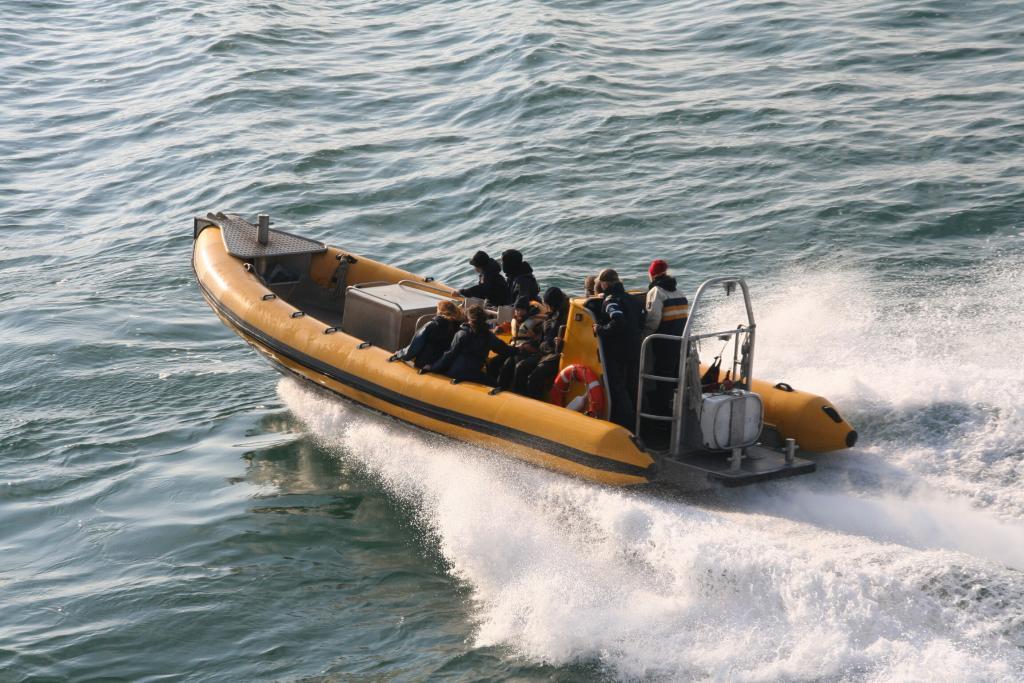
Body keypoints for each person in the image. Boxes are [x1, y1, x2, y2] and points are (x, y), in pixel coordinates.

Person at [592, 268, 644, 429]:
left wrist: (600, 329)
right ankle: (643, 425)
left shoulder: (610, 301)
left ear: (604, 284)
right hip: (635, 348)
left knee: (618, 387)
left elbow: (618, 321)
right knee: (634, 385)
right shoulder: (632, 299)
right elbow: (642, 321)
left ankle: (626, 427)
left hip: (618, 351)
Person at [643, 259, 690, 418]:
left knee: (662, 377)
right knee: (676, 376)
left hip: (664, 343)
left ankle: (662, 415)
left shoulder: (656, 292)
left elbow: (653, 320)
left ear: (652, 274)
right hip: (681, 342)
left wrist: (644, 335)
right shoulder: (680, 292)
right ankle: (677, 410)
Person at [426, 305, 510, 385]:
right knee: (494, 384)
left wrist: (432, 367)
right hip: (474, 374)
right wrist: (518, 349)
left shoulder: (461, 334)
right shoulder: (489, 336)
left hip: (456, 373)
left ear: (468, 319)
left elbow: (449, 355)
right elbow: (505, 349)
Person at [513, 286, 569, 398]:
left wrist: (555, 344)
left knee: (535, 376)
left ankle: (535, 402)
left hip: (553, 354)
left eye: (547, 304)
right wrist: (531, 344)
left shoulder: (564, 317)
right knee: (521, 366)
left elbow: (556, 341)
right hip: (544, 350)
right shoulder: (552, 315)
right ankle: (518, 397)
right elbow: (545, 336)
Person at [488, 296, 544, 389]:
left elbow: (539, 339)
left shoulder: (536, 322)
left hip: (526, 351)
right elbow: (510, 326)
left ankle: (503, 388)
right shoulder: (516, 318)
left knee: (508, 364)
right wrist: (501, 328)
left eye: (521, 310)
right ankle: (491, 384)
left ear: (527, 310)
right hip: (513, 348)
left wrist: (530, 345)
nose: (518, 312)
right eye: (517, 309)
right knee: (494, 361)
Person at [389, 300, 462, 369]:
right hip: (444, 366)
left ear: (439, 311)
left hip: (425, 364)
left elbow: (413, 348)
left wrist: (399, 354)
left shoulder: (431, 326)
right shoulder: (459, 327)